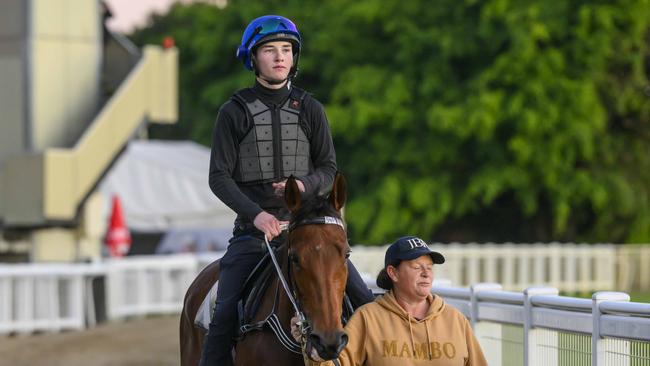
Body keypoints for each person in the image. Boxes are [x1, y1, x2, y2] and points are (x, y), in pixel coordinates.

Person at [200, 15, 374, 366]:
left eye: (286, 50)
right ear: (253, 58)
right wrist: (258, 215)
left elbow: (328, 168)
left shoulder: (311, 109)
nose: (280, 57)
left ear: (294, 58)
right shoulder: (233, 112)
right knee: (222, 318)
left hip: (308, 227)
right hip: (254, 234)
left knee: (365, 302)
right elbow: (218, 177)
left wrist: (304, 185)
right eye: (269, 50)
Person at [296, 236, 488, 366]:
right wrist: (313, 350)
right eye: (416, 267)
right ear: (393, 273)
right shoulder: (367, 318)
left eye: (429, 267)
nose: (426, 273)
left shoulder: (455, 320)